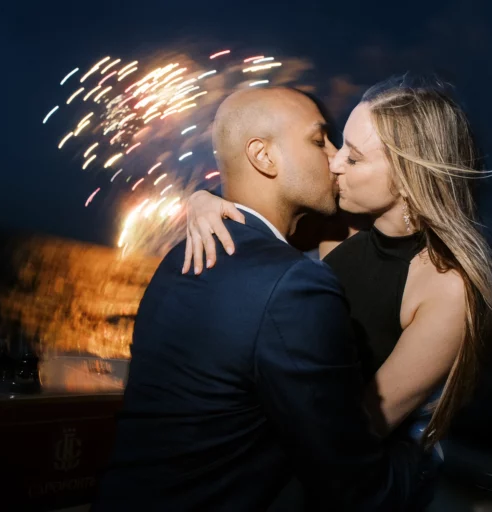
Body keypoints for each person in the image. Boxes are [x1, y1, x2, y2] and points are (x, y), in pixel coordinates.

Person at [93, 87, 426, 512]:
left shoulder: (178, 260)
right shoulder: (294, 287)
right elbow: (352, 484)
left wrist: (202, 198)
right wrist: (423, 457)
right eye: (318, 139)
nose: (334, 156)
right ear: (263, 157)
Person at [182, 78, 492, 451]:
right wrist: (202, 201)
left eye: (354, 156)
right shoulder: (340, 227)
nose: (334, 161)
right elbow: (259, 203)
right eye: (337, 144)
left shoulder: (445, 288)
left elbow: (361, 430)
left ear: (408, 179)